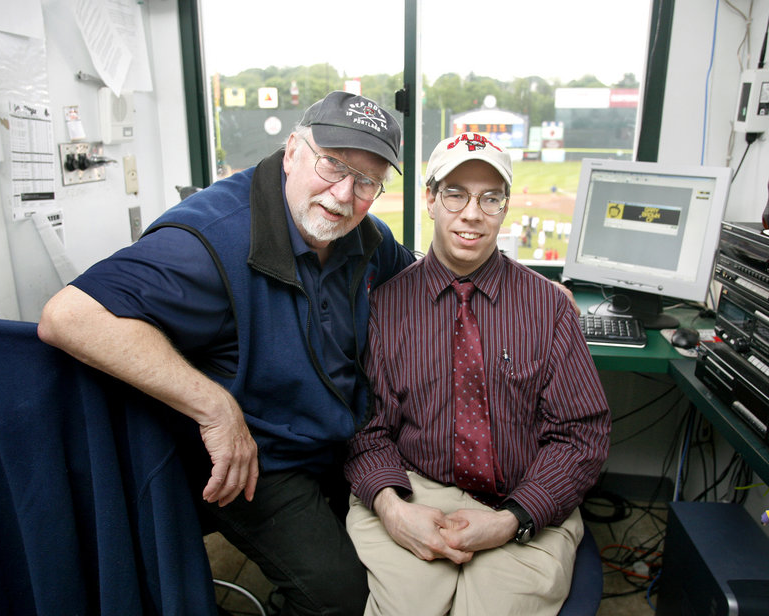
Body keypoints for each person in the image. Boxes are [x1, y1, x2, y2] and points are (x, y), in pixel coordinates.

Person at [37, 90, 416, 616]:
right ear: (291, 152)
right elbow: (69, 316)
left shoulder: (366, 237)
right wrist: (215, 409)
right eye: (332, 165)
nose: (343, 193)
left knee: (409, 572)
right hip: (263, 457)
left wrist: (525, 287)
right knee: (343, 598)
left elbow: (421, 279)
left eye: (368, 181)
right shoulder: (208, 240)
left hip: (336, 437)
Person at [344, 133, 611, 615]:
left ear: (506, 206)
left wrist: (513, 519)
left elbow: (581, 435)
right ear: (429, 199)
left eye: (491, 197)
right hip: (415, 487)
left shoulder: (548, 307)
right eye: (455, 193)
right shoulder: (384, 307)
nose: (472, 213)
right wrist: (393, 509)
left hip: (523, 492)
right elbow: (367, 430)